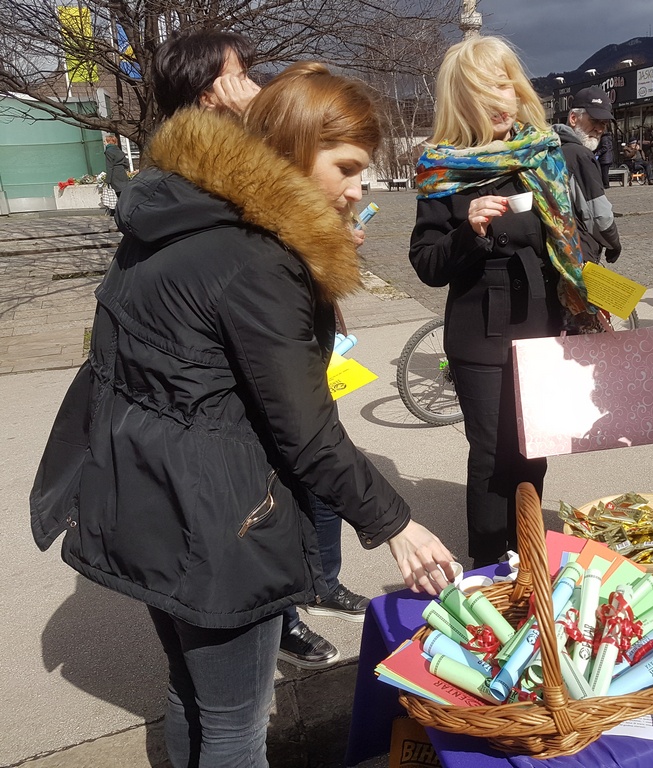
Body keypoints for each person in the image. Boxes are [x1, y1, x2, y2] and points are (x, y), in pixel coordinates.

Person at [31, 61, 456, 767]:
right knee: (236, 727)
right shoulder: (257, 258)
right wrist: (394, 524)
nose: (359, 188)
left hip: (141, 493)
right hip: (216, 518)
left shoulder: (179, 211)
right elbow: (304, 426)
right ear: (292, 149)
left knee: (189, 696)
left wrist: (312, 261)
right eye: (346, 167)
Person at [154, 29, 372, 670]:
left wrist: (322, 242)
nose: (252, 83)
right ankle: (285, 611)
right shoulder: (193, 180)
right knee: (285, 477)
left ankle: (313, 586)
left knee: (315, 467)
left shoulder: (244, 171)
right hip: (222, 404)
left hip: (278, 350)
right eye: (238, 75)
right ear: (207, 92)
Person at [409, 36, 594, 568]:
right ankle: (489, 570)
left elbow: (570, 244)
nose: (500, 97)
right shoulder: (442, 168)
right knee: (492, 459)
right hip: (481, 337)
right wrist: (468, 230)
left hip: (544, 328)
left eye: (506, 84)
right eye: (484, 88)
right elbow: (426, 264)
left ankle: (529, 557)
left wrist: (593, 296)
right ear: (460, 100)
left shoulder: (544, 155)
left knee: (534, 450)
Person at [552, 87, 622, 263]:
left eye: (604, 124)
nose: (599, 129)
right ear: (573, 118)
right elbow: (599, 216)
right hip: (576, 251)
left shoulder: (550, 149)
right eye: (594, 120)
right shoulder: (580, 155)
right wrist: (614, 244)